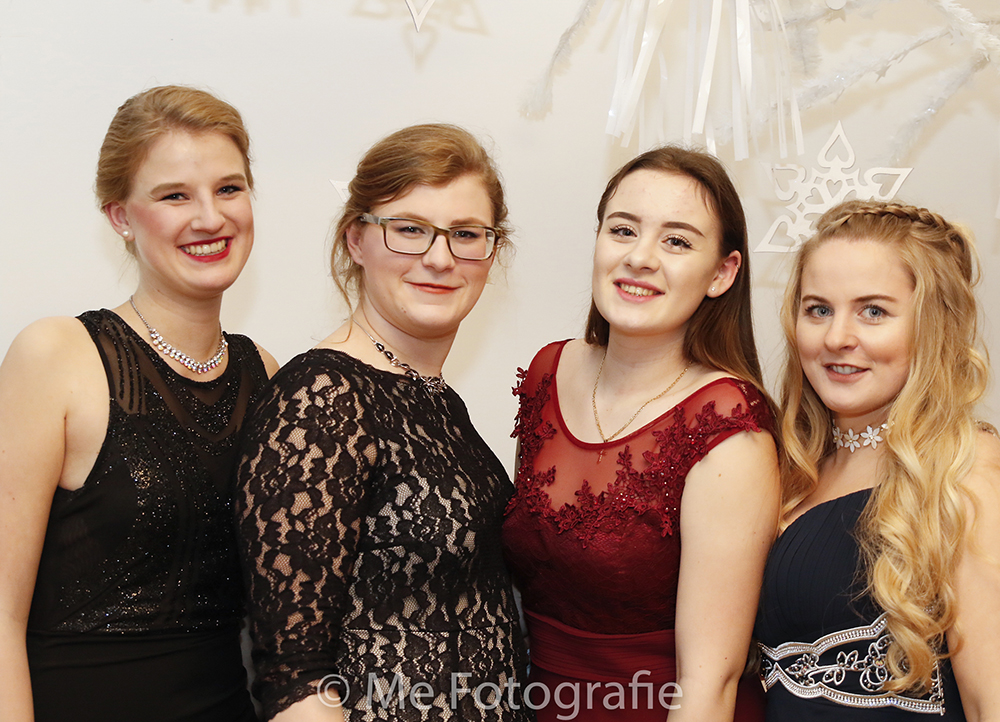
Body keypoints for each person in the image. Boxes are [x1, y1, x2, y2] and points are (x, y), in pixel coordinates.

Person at [0, 85, 278, 722]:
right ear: (120, 216)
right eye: (174, 195)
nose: (209, 217)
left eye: (229, 189)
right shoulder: (56, 356)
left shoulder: (265, 373)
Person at [236, 123, 532, 722]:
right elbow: (296, 684)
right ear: (356, 240)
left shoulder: (437, 399)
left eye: (465, 234)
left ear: (491, 250)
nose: (440, 258)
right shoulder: (322, 399)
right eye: (409, 229)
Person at [501, 146, 779, 721]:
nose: (640, 257)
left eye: (676, 241)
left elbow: (709, 682)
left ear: (722, 273)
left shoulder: (729, 425)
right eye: (623, 230)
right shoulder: (550, 371)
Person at [754, 199, 1000, 719]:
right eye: (819, 309)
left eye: (873, 311)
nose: (837, 338)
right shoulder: (790, 471)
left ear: (932, 326)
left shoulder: (965, 466)